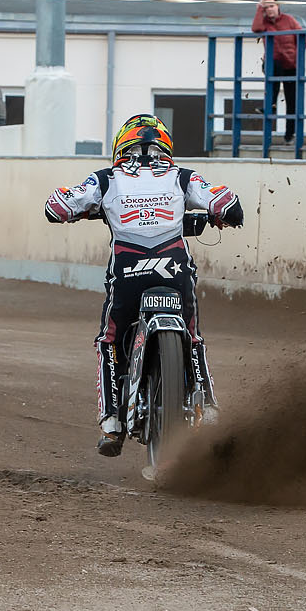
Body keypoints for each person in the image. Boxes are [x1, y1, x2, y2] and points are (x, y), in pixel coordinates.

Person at [43, 112, 245, 455]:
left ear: (121, 146)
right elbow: (228, 203)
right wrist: (218, 215)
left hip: (128, 272)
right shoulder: (182, 177)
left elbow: (56, 207)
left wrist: (78, 209)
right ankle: (208, 410)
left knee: (109, 341)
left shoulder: (106, 179)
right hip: (174, 270)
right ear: (165, 146)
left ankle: (112, 424)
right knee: (193, 337)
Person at [250, 0, 302, 145]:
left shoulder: (289, 20)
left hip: (291, 64)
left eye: (271, 6)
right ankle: (270, 105)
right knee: (271, 73)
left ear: (278, 6)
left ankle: (289, 135)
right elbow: (256, 28)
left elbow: (301, 38)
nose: (269, 9)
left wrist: (298, 57)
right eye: (266, 7)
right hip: (274, 63)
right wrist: (259, 10)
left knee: (291, 100)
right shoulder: (264, 22)